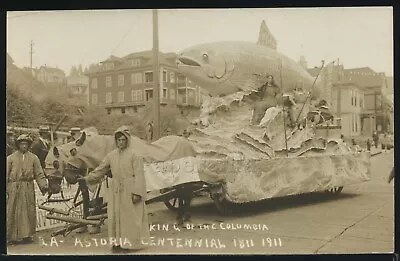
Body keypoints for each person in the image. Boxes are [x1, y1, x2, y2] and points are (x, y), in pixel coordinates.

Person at [79, 127, 150, 253]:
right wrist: (87, 178)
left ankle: (129, 244)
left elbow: (139, 175)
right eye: (118, 140)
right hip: (116, 190)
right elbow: (101, 169)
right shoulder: (111, 156)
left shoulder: (135, 156)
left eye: (123, 140)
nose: (120, 142)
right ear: (116, 141)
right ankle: (117, 243)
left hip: (130, 189)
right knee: (115, 216)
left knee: (129, 218)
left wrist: (137, 193)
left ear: (127, 141)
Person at [7, 135, 48, 245]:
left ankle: (27, 235)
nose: (24, 146)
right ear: (18, 145)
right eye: (21, 143)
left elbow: (39, 173)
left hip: (28, 187)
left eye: (26, 144)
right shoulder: (10, 158)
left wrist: (44, 185)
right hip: (13, 187)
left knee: (28, 210)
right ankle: (11, 237)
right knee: (12, 211)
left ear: (29, 145)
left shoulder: (34, 158)